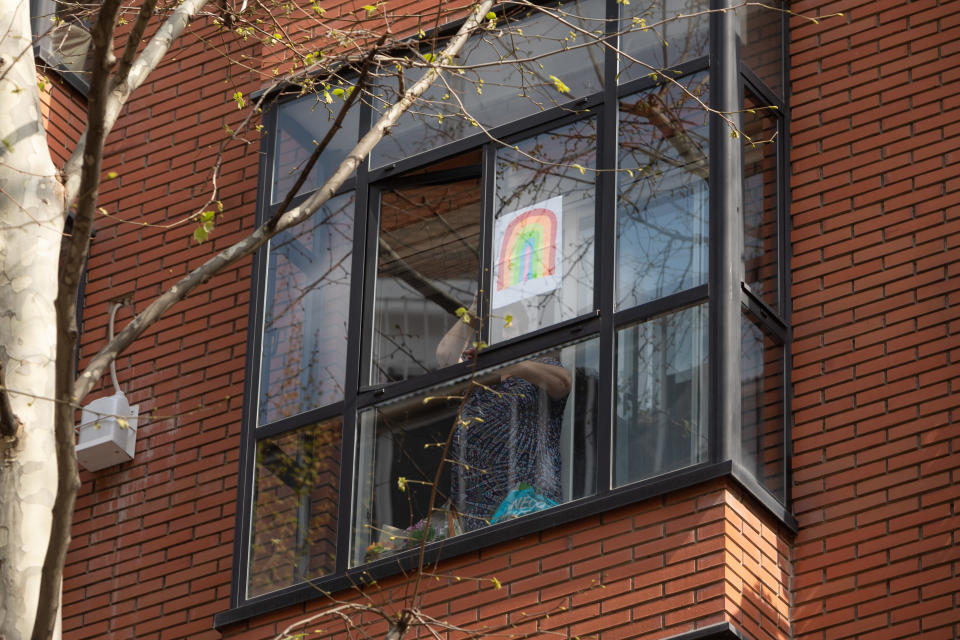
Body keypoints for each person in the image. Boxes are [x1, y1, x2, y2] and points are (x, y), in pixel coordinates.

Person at [435, 301, 572, 531]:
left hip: (526, 506)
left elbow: (563, 382)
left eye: (509, 327)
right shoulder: (479, 386)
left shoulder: (533, 377)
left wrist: (507, 361)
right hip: (476, 515)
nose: (501, 335)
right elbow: (446, 357)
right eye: (496, 329)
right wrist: (478, 307)